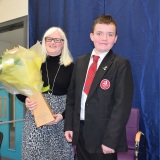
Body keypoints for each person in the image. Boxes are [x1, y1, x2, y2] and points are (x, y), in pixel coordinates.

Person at [64, 14, 134, 160]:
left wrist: (110, 140)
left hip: (104, 138)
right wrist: (69, 126)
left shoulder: (120, 64)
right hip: (80, 133)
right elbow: (72, 97)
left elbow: (122, 107)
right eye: (99, 33)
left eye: (110, 34)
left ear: (116, 38)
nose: (104, 38)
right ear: (91, 36)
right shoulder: (80, 61)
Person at [17, 27, 75, 160]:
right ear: (44, 41)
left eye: (57, 39)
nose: (53, 42)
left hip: (60, 122)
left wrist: (62, 116)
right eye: (49, 39)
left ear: (63, 43)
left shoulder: (72, 67)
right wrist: (26, 99)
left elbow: (75, 98)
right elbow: (20, 90)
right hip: (35, 122)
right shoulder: (33, 63)